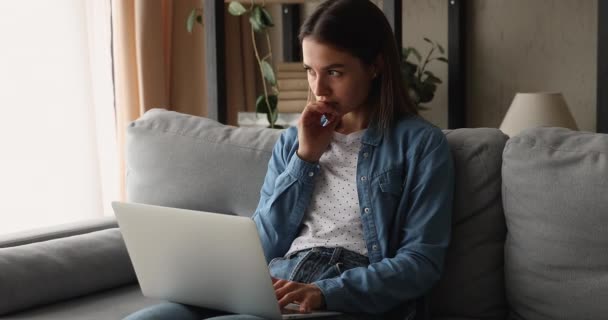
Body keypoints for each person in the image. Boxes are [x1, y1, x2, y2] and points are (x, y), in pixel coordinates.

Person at [124, 0, 454, 319]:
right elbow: (264, 243)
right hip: (277, 279)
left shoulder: (421, 145)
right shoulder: (292, 142)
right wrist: (305, 157)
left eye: (334, 72)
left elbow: (420, 262)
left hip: (346, 292)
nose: (319, 88)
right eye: (311, 71)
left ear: (375, 66)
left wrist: (326, 292)